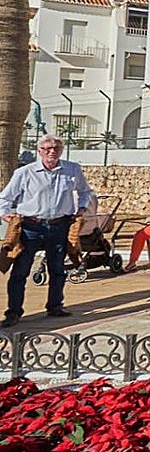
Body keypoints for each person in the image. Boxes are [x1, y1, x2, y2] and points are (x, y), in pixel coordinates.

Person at [0, 134, 95, 328]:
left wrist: (82, 207)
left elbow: (86, 192)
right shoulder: (25, 172)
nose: (52, 151)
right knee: (20, 271)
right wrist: (6, 215)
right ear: (39, 151)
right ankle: (14, 312)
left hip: (60, 226)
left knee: (57, 269)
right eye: (48, 148)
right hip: (31, 227)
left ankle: (55, 306)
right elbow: (5, 198)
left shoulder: (72, 169)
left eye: (57, 148)